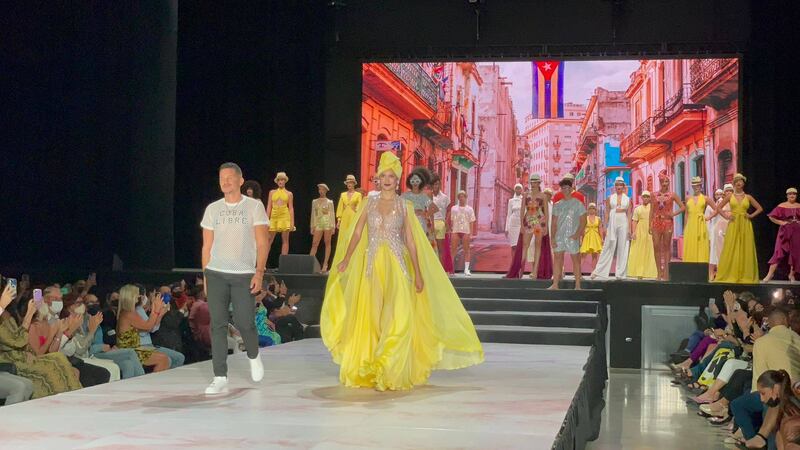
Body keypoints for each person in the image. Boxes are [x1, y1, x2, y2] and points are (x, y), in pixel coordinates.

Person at [321, 151, 483, 391]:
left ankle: (390, 367)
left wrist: (418, 272)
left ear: (397, 180)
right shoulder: (368, 203)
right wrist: (346, 258)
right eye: (383, 175)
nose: (387, 180)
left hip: (397, 266)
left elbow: (411, 241)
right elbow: (357, 233)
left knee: (397, 314)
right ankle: (370, 364)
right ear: (378, 179)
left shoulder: (405, 206)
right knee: (372, 315)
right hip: (372, 265)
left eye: (391, 176)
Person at [201, 162, 268, 394]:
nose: (225, 181)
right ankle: (220, 376)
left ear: (240, 180)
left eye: (230, 177)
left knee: (244, 322)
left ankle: (253, 355)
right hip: (216, 273)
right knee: (218, 325)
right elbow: (206, 246)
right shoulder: (213, 209)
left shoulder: (254, 206)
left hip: (243, 274)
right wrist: (205, 276)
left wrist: (259, 272)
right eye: (222, 178)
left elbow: (262, 242)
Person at [0, 285, 82, 399]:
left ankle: (74, 398)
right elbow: (16, 341)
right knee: (51, 368)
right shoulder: (34, 324)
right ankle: (57, 402)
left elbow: (20, 340)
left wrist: (61, 333)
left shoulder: (9, 316)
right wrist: (29, 314)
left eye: (60, 299)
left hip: (22, 355)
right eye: (55, 299)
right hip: (11, 360)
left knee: (59, 358)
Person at [714, 173, 764, 284]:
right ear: (733, 183)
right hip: (734, 223)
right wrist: (727, 216)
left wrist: (751, 215)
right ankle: (730, 273)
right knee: (731, 247)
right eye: (736, 181)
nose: (738, 183)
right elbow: (718, 208)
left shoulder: (748, 197)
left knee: (745, 248)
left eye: (740, 181)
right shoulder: (730, 196)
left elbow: (760, 208)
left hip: (745, 224)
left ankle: (745, 274)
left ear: (743, 183)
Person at [115, 285, 171, 373]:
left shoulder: (129, 312)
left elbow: (148, 327)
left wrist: (157, 311)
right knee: (163, 359)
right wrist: (155, 309)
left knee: (164, 358)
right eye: (136, 294)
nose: (139, 296)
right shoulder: (128, 313)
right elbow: (148, 326)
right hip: (129, 351)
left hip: (134, 349)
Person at [549, 177, 587, 290]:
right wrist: (553, 237)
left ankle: (578, 285)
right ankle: (555, 284)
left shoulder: (578, 204)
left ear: (571, 189)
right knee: (557, 260)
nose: (565, 190)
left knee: (576, 260)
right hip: (559, 236)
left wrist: (577, 234)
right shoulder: (557, 205)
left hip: (572, 236)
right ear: (561, 189)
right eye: (563, 188)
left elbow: (583, 221)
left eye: (567, 187)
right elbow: (553, 223)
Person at [591, 177, 632, 280]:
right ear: (615, 186)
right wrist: (605, 226)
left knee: (623, 247)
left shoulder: (628, 199)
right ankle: (598, 271)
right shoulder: (610, 198)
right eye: (617, 185)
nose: (619, 187)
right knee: (608, 246)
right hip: (613, 221)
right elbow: (607, 213)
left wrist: (629, 229)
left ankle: (620, 274)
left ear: (623, 186)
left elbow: (629, 214)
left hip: (623, 221)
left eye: (620, 185)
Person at [650, 172, 686, 280]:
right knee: (656, 245)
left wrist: (673, 214)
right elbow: (651, 210)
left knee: (666, 246)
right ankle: (658, 272)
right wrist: (649, 224)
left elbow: (683, 207)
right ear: (660, 182)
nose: (665, 184)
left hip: (667, 222)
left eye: (666, 182)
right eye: (663, 182)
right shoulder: (654, 194)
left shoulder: (672, 195)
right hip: (656, 221)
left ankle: (666, 272)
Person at [764, 187, 800, 282]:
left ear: (796, 195)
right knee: (778, 252)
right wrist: (781, 222)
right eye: (790, 194)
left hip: (797, 231)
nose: (792, 195)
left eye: (794, 194)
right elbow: (771, 216)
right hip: (785, 230)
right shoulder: (782, 205)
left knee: (796, 253)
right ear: (787, 196)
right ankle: (770, 274)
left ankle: (791, 275)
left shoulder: (799, 206)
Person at [401, 166, 437, 246]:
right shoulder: (408, 193)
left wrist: (428, 218)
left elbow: (432, 209)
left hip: (422, 221)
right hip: (411, 220)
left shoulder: (427, 193)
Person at [522, 174, 548, 279]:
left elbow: (546, 212)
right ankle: (520, 270)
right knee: (525, 245)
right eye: (531, 182)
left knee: (538, 246)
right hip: (528, 222)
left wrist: (546, 226)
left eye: (535, 182)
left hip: (539, 222)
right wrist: (521, 225)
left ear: (538, 183)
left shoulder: (543, 196)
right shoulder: (525, 195)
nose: (533, 183)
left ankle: (535, 271)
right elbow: (522, 211)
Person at [627, 191, 658, 279]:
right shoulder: (637, 209)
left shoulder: (653, 208)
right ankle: (638, 271)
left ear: (650, 198)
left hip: (650, 230)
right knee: (639, 250)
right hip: (640, 231)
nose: (646, 198)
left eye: (647, 197)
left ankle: (650, 272)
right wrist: (634, 232)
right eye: (644, 196)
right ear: (641, 198)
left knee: (650, 250)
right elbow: (634, 221)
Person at [706, 185, 733, 281]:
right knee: (716, 251)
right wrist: (709, 217)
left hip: (729, 227)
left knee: (728, 250)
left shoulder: (733, 201)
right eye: (727, 191)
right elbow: (716, 211)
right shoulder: (721, 201)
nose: (729, 192)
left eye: (730, 190)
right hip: (719, 228)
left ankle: (726, 272)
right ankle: (714, 273)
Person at [683, 176, 711, 263]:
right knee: (691, 244)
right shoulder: (688, 198)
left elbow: (716, 209)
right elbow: (686, 214)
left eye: (698, 185)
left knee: (701, 243)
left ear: (700, 186)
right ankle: (690, 265)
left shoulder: (705, 198)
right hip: (690, 225)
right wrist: (685, 228)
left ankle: (701, 265)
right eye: (694, 185)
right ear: (692, 186)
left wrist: (709, 217)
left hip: (700, 224)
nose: (696, 187)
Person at [309, 183, 336, 273]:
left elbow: (332, 214)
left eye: (322, 189)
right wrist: (312, 226)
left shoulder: (329, 202)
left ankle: (325, 264)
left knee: (327, 243)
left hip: (327, 223)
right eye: (320, 189)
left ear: (326, 191)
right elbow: (313, 214)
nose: (321, 191)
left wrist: (333, 226)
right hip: (318, 224)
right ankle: (310, 263)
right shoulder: (315, 201)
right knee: (314, 243)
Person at [266, 171, 294, 256]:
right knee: (269, 239)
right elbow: (269, 206)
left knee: (285, 240)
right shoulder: (272, 192)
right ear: (277, 181)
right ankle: (262, 261)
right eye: (279, 180)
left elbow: (291, 208)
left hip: (284, 216)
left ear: (285, 181)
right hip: (274, 216)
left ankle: (284, 261)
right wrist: (266, 220)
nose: (280, 181)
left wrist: (292, 222)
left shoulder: (289, 194)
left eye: (282, 180)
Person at [450, 191, 477, 276]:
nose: (461, 198)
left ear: (466, 198)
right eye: (460, 197)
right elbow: (452, 220)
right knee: (453, 250)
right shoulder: (454, 208)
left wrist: (471, 233)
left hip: (466, 231)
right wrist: (452, 229)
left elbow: (471, 221)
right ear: (458, 198)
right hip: (456, 230)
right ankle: (451, 269)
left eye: (463, 197)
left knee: (466, 250)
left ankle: (466, 269)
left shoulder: (470, 209)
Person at [431, 174, 454, 273]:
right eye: (433, 184)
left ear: (440, 184)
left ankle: (441, 271)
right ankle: (431, 270)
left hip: (440, 223)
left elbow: (449, 210)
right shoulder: (428, 196)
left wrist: (446, 221)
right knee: (430, 248)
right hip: (430, 223)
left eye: (437, 184)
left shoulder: (445, 197)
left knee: (441, 248)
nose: (435, 186)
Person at [336, 174, 363, 249]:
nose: (349, 184)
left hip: (353, 216)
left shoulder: (358, 195)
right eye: (348, 183)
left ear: (354, 184)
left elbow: (360, 207)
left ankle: (352, 253)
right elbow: (340, 208)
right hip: (344, 217)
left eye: (351, 182)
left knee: (352, 235)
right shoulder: (343, 195)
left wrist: (356, 211)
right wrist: (339, 220)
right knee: (343, 236)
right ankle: (342, 253)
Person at [580, 202, 603, 273]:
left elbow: (600, 229)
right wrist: (581, 238)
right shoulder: (585, 218)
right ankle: (578, 271)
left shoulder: (598, 219)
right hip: (587, 238)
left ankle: (593, 271)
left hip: (595, 238)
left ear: (595, 210)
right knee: (583, 255)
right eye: (590, 208)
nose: (592, 210)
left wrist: (602, 238)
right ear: (588, 210)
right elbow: (582, 229)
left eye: (593, 208)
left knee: (595, 255)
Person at [505, 183, 524, 251]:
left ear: (521, 190)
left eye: (519, 188)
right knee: (513, 246)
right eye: (516, 188)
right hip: (512, 224)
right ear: (514, 190)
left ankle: (519, 258)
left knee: (520, 246)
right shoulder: (511, 201)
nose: (518, 190)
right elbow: (509, 215)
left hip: (521, 224)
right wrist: (506, 228)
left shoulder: (524, 200)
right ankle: (513, 258)